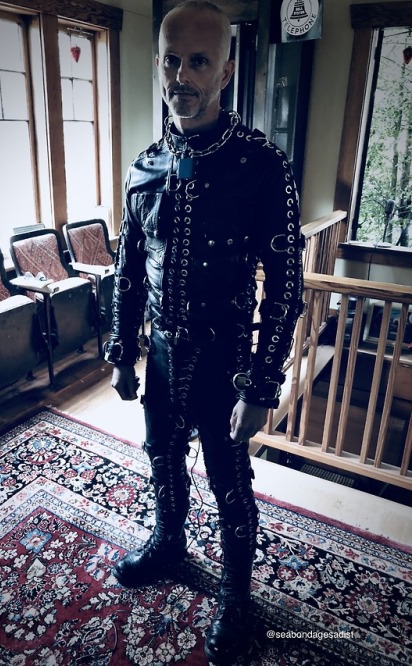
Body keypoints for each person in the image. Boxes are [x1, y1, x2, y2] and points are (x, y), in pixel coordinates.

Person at [103, 1, 304, 662]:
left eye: (198, 62)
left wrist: (263, 386)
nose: (181, 76)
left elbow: (286, 287)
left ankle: (237, 596)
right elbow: (128, 269)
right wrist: (121, 352)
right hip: (162, 352)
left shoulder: (262, 166)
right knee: (161, 456)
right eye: (171, 61)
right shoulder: (144, 166)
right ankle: (168, 542)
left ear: (225, 71)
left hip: (227, 360)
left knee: (228, 478)